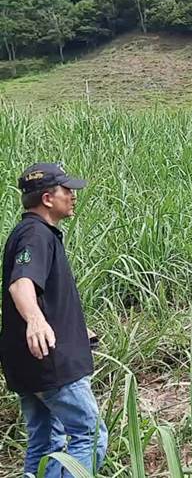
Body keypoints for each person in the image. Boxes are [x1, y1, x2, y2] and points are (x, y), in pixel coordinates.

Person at [1, 163, 107, 477]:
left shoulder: (28, 232)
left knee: (45, 440)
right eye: (67, 190)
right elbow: (22, 284)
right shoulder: (36, 235)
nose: (73, 196)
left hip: (28, 362)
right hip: (51, 364)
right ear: (48, 198)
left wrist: (75, 331)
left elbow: (44, 296)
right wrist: (35, 321)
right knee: (89, 435)